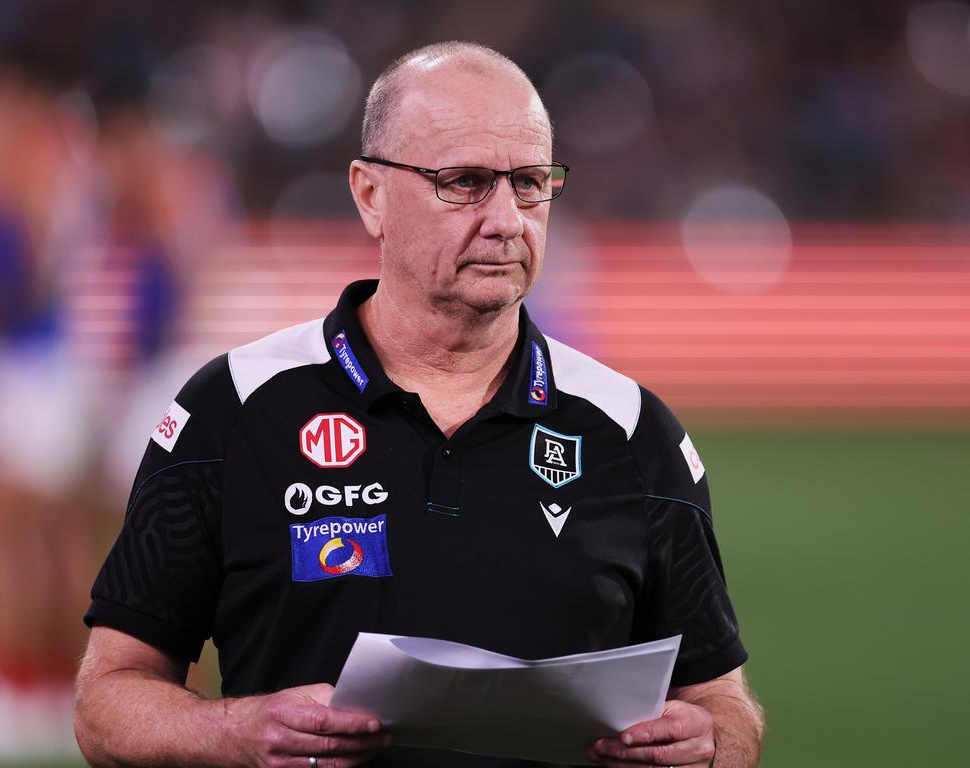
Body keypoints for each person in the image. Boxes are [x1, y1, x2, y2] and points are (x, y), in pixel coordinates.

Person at [75, 42, 764, 768]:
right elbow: (106, 703)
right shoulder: (235, 407)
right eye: (465, 182)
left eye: (530, 183)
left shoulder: (632, 430)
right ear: (370, 195)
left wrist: (711, 742)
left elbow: (723, 702)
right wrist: (235, 732)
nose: (507, 219)